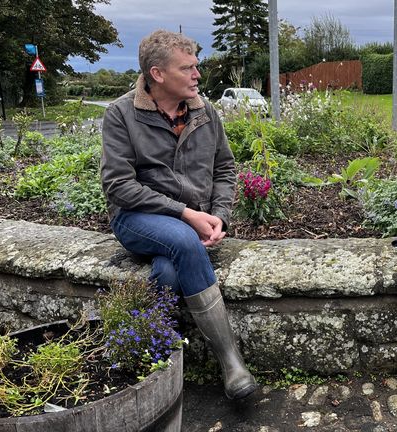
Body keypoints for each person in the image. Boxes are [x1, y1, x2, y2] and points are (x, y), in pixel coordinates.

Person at [100, 29, 258, 400]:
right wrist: (186, 214)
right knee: (185, 242)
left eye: (196, 67)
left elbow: (224, 168)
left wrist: (218, 215)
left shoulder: (204, 111)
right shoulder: (122, 114)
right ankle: (231, 361)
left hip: (191, 222)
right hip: (135, 218)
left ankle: (152, 356)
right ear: (157, 74)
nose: (197, 75)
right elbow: (119, 186)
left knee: (169, 270)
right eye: (187, 68)